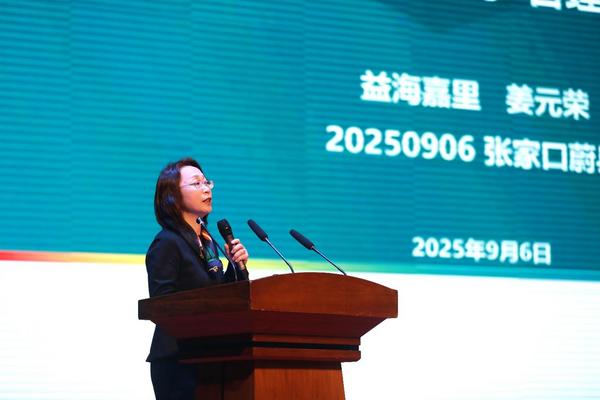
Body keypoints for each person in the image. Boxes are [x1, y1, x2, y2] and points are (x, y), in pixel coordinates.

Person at [145, 157, 249, 400]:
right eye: (196, 183)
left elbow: (222, 298)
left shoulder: (208, 242)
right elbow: (162, 305)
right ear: (173, 196)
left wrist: (236, 267)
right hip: (178, 360)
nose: (206, 189)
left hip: (209, 355)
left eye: (207, 182)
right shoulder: (167, 242)